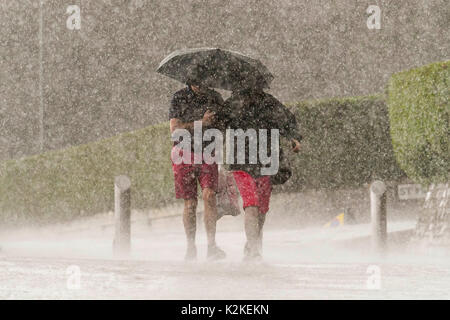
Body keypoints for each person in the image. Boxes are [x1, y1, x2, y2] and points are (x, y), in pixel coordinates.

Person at [221, 86, 302, 261]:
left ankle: (253, 244)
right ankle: (255, 250)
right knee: (251, 205)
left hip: (266, 162)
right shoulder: (232, 104)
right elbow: (218, 124)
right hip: (241, 163)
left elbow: (287, 120)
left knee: (262, 211)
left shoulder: (269, 102)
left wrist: (293, 137)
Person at [169, 82, 226, 261]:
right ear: (190, 81)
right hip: (183, 154)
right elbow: (174, 129)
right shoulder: (179, 97)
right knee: (190, 203)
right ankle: (191, 246)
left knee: (209, 196)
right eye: (196, 81)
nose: (200, 84)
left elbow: (223, 127)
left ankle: (211, 245)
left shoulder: (215, 98)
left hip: (208, 153)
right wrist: (201, 123)